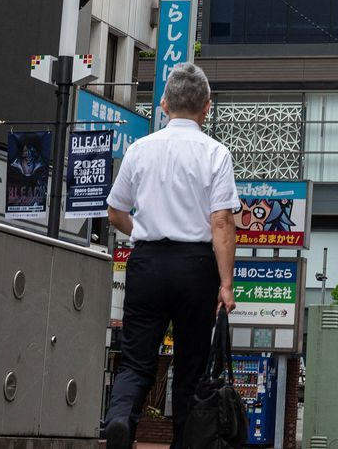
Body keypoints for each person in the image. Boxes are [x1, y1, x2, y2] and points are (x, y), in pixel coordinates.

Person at [103, 63, 241, 449]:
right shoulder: (215, 153)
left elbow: (115, 211)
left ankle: (119, 420)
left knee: (136, 360)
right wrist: (226, 284)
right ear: (207, 108)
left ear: (163, 104)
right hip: (196, 268)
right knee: (191, 369)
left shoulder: (140, 149)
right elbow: (221, 222)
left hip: (147, 263)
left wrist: (143, 232)